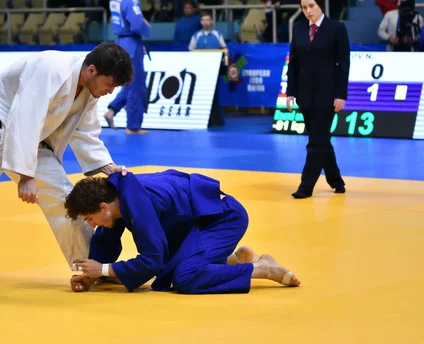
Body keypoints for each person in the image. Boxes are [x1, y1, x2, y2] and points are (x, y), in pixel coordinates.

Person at [0, 43, 133, 297]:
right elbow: (24, 117)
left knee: (68, 201)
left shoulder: (88, 90)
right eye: (110, 84)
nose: (110, 92)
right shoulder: (51, 69)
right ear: (92, 70)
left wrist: (108, 167)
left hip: (35, 142)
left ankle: (90, 267)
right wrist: (25, 175)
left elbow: (85, 132)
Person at [64, 170, 301, 294]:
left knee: (184, 278)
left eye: (90, 219)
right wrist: (93, 275)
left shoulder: (138, 204)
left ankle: (261, 268)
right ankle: (233, 259)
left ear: (103, 207)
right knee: (119, 277)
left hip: (224, 218)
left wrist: (104, 268)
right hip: (194, 223)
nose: (92, 225)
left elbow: (152, 260)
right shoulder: (115, 194)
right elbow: (107, 240)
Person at [286, 0, 350, 199]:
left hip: (327, 94)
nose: (307, 11)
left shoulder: (336, 28)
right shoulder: (298, 28)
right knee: (321, 140)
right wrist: (290, 92)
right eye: (304, 7)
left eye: (311, 6)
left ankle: (306, 187)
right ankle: (336, 180)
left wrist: (340, 95)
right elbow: (294, 63)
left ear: (321, 5)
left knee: (315, 142)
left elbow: (344, 64)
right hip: (305, 95)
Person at [103, 0, 151, 135]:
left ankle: (111, 111)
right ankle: (133, 126)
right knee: (137, 86)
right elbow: (137, 24)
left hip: (121, 42)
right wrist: (146, 25)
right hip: (132, 45)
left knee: (129, 84)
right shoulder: (130, 1)